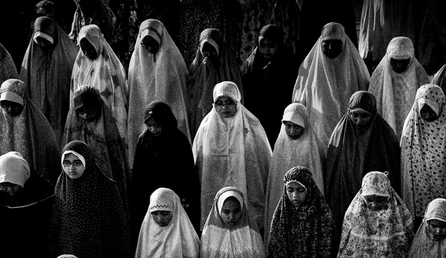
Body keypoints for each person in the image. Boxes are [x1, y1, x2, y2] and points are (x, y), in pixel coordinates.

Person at [52, 140, 130, 258]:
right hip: (71, 254)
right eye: (67, 163)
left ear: (87, 162)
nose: (71, 168)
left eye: (77, 162)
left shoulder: (106, 187)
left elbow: (119, 229)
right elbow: (57, 224)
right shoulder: (61, 185)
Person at [192, 82, 272, 235]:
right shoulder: (206, 127)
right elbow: (198, 159)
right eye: (220, 103)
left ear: (237, 102)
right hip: (213, 184)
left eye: (229, 103)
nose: (224, 108)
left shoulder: (252, 125)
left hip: (247, 184)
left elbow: (263, 160)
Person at [322, 91, 401, 230]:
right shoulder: (340, 135)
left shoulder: (386, 136)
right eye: (355, 115)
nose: (359, 121)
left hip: (375, 202)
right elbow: (333, 173)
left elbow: (392, 173)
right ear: (349, 112)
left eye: (365, 116)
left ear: (373, 114)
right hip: (345, 195)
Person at [291, 22, 369, 148]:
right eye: (326, 44)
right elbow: (298, 102)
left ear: (343, 44)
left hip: (350, 131)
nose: (331, 48)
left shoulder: (356, 67)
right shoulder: (309, 66)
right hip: (318, 130)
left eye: (336, 44)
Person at [400, 83, 446, 224]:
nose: (427, 115)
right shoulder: (411, 127)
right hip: (419, 184)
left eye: (431, 111)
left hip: (444, 182)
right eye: (423, 111)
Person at [130, 102, 201, 229]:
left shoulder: (179, 140)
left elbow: (188, 173)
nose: (153, 129)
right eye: (149, 125)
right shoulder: (144, 140)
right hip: (150, 196)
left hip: (175, 194)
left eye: (157, 125)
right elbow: (138, 174)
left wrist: (185, 197)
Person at [127, 18, 190, 157]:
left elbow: (179, 94)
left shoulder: (174, 61)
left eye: (153, 44)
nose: (150, 48)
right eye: (146, 44)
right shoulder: (136, 62)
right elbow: (134, 93)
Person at [63, 86, 130, 206]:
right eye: (81, 112)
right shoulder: (73, 128)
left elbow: (114, 164)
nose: (85, 115)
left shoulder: (108, 131)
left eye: (90, 111)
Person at [0, 78, 60, 184]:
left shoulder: (38, 122)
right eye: (6, 104)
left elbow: (47, 154)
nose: (10, 109)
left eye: (15, 104)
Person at [264, 104, 326, 231]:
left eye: (297, 127)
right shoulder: (280, 146)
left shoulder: (313, 147)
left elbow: (317, 181)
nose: (292, 131)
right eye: (288, 126)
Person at [21, 16, 78, 140]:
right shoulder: (32, 55)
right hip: (38, 107)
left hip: (60, 108)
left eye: (45, 40)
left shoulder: (68, 53)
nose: (42, 44)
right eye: (39, 40)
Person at [242, 24, 298, 146]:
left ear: (279, 44)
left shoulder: (290, 63)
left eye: (271, 45)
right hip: (258, 115)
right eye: (263, 45)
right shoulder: (251, 63)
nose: (266, 49)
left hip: (280, 115)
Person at [70, 24, 128, 140]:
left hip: (106, 118)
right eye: (83, 49)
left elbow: (117, 98)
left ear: (97, 44)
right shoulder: (80, 64)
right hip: (85, 115)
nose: (86, 52)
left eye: (89, 48)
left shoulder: (109, 66)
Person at [368, 36, 430, 138]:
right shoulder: (378, 76)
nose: (399, 65)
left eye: (404, 61)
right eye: (394, 61)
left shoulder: (420, 75)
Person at [187, 28, 243, 132]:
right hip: (201, 114)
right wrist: (204, 71)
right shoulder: (197, 65)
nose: (208, 54)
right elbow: (190, 90)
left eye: (212, 50)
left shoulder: (230, 67)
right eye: (205, 50)